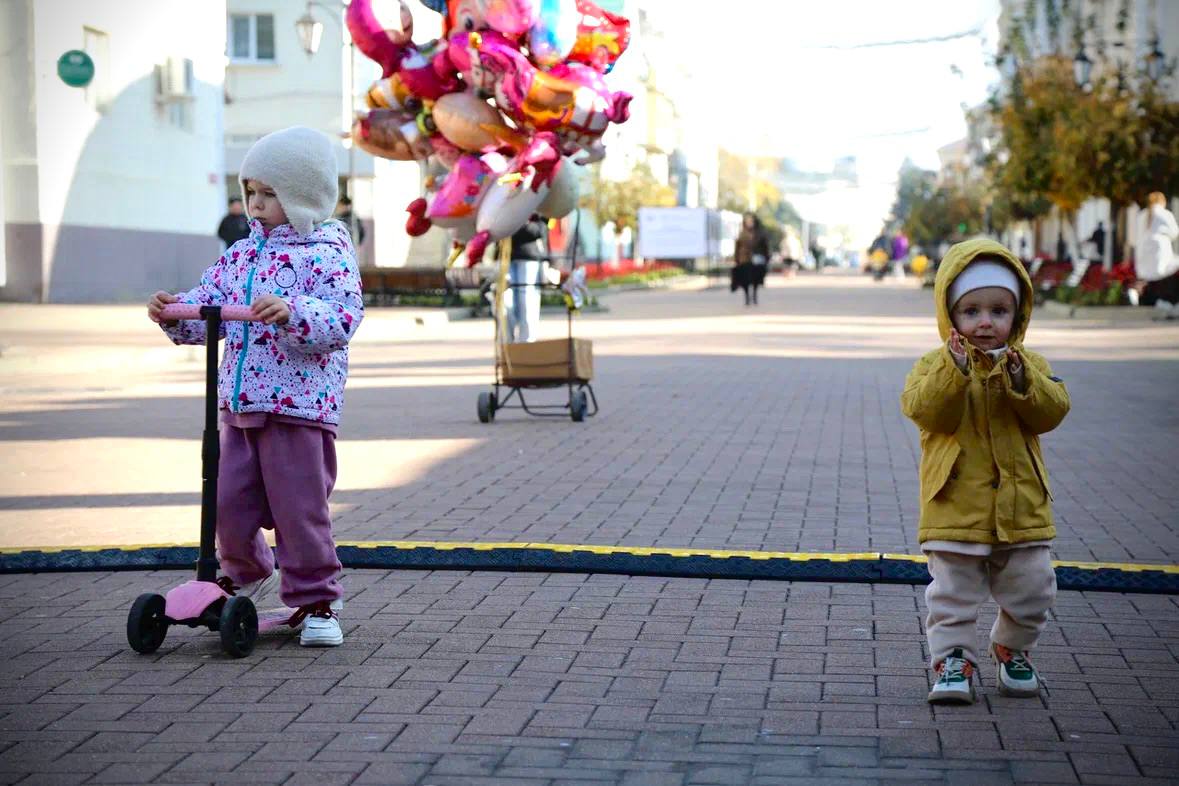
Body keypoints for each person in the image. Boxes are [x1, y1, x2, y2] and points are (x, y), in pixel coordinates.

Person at [147, 126, 363, 648]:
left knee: (299, 510)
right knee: (227, 502)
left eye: (271, 194)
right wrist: (175, 312)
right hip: (239, 404)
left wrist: (293, 312)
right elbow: (209, 306)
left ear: (303, 196)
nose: (257, 204)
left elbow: (343, 316)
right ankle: (241, 571)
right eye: (251, 192)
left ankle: (317, 601)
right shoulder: (241, 254)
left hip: (298, 407)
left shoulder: (327, 252)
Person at [901, 238, 1071, 705]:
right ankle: (952, 659)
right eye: (971, 310)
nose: (984, 322)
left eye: (998, 310)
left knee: (1034, 587)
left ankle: (1011, 647)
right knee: (952, 595)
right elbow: (924, 410)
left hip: (1021, 508)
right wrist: (954, 372)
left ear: (1017, 316)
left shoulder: (1030, 365)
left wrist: (1022, 382)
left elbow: (1052, 413)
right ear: (950, 315)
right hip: (955, 502)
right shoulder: (934, 365)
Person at [1132, 192, 1179, 316]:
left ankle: (1159, 302)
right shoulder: (1165, 214)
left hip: (1144, 252)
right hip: (1160, 251)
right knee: (1167, 275)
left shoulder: (1141, 215)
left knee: (1152, 278)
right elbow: (1174, 231)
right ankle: (1169, 302)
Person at [504, 214, 549, 342]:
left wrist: (518, 226)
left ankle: (527, 343)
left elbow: (540, 229)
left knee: (526, 300)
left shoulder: (537, 204)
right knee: (505, 302)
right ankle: (507, 343)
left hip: (529, 257)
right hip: (506, 257)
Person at [733, 212, 769, 305]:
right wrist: (736, 258)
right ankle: (747, 297)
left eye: (751, 221)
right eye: (748, 221)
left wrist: (766, 257)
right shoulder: (741, 233)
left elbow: (765, 247)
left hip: (757, 260)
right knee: (745, 279)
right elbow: (737, 247)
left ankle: (754, 294)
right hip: (744, 259)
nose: (749, 223)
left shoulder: (760, 233)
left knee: (755, 279)